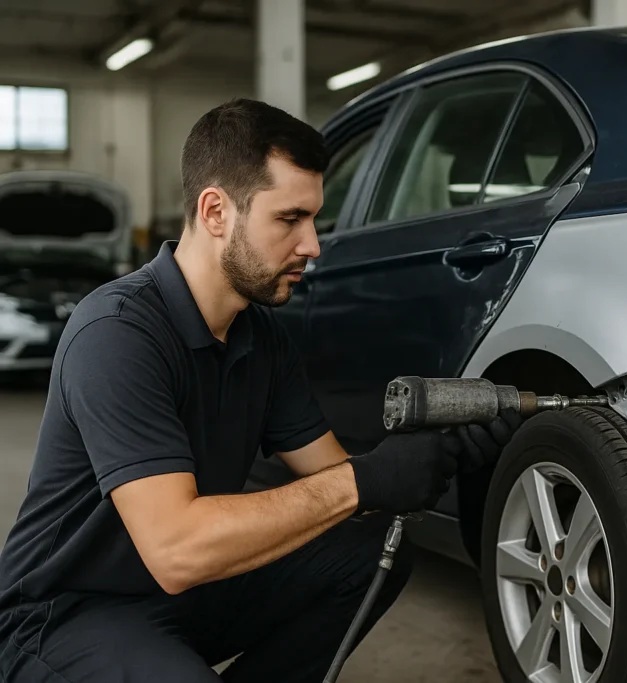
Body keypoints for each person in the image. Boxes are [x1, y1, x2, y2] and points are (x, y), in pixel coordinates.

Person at [0, 98, 521, 683]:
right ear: (216, 210)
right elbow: (176, 550)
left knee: (376, 552)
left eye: (314, 219)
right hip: (70, 611)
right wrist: (363, 479)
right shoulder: (117, 333)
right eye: (289, 219)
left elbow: (338, 483)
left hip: (185, 595)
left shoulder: (261, 336)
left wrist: (439, 453)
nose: (313, 245)